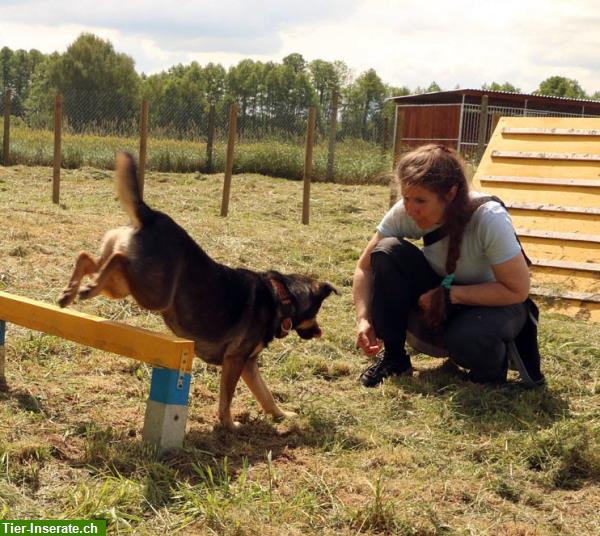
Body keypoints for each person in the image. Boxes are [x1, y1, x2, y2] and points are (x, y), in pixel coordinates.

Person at [352, 143, 544, 388]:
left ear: (451, 194)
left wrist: (449, 295)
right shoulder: (407, 210)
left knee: (467, 338)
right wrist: (364, 318)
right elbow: (364, 267)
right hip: (441, 295)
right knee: (387, 251)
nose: (410, 209)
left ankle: (492, 370)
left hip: (496, 303)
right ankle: (395, 360)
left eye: (420, 200)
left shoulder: (489, 218)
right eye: (406, 198)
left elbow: (517, 290)